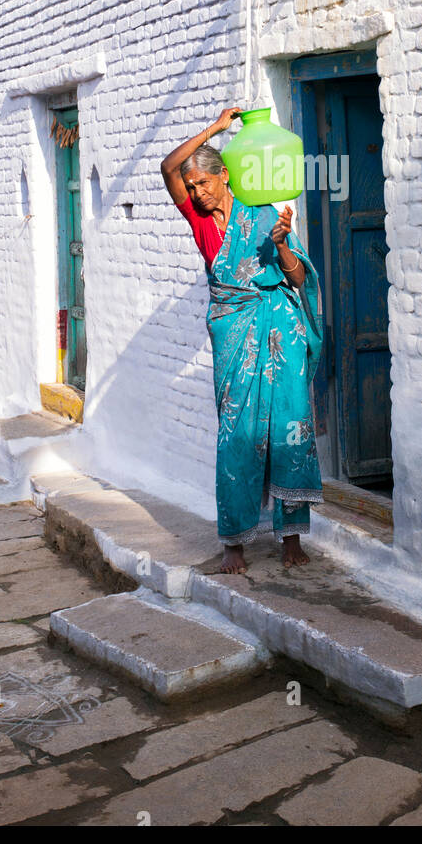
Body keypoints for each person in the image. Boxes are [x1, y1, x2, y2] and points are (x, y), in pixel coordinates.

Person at [160, 106, 324, 573]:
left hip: (280, 332)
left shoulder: (264, 216)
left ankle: (290, 534)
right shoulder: (199, 220)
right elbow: (168, 166)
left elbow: (294, 281)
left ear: (225, 177)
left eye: (203, 184)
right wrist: (214, 129)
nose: (196, 192)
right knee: (236, 434)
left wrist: (285, 244)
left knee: (289, 428)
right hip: (233, 333)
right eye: (191, 187)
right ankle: (234, 539)